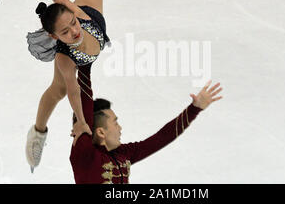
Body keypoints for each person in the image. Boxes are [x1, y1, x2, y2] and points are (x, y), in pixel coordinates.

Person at [0, 0, 110, 172]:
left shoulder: (78, 16)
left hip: (94, 21)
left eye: (72, 23)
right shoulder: (64, 58)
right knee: (57, 90)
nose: (73, 31)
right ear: (54, 37)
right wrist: (80, 121)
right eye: (65, 32)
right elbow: (74, 91)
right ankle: (38, 132)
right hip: (79, 57)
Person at [71, 70, 223, 184]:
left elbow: (161, 138)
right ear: (101, 132)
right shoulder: (85, 155)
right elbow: (84, 107)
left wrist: (194, 108)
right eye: (115, 122)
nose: (120, 128)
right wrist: (85, 64)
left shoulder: (124, 153)